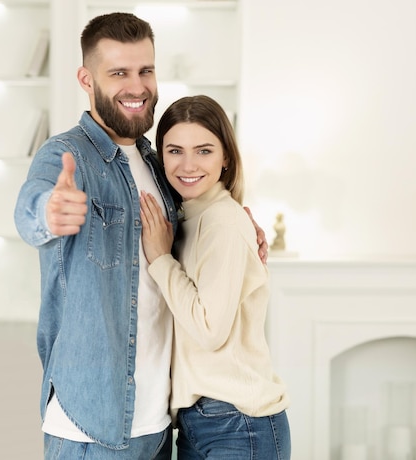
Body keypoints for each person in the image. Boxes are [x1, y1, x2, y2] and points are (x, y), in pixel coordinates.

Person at [14, 13, 267, 460]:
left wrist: (244, 238)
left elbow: (186, 243)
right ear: (86, 79)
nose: (137, 86)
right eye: (119, 73)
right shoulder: (66, 155)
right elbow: (31, 208)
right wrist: (51, 213)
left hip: (159, 424)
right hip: (91, 426)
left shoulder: (158, 162)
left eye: (145, 70)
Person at [139, 95, 291, 459]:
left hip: (238, 423)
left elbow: (210, 329)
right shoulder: (190, 220)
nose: (187, 164)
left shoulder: (222, 222)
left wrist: (160, 259)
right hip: (203, 422)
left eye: (204, 151)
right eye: (175, 151)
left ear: (226, 158)